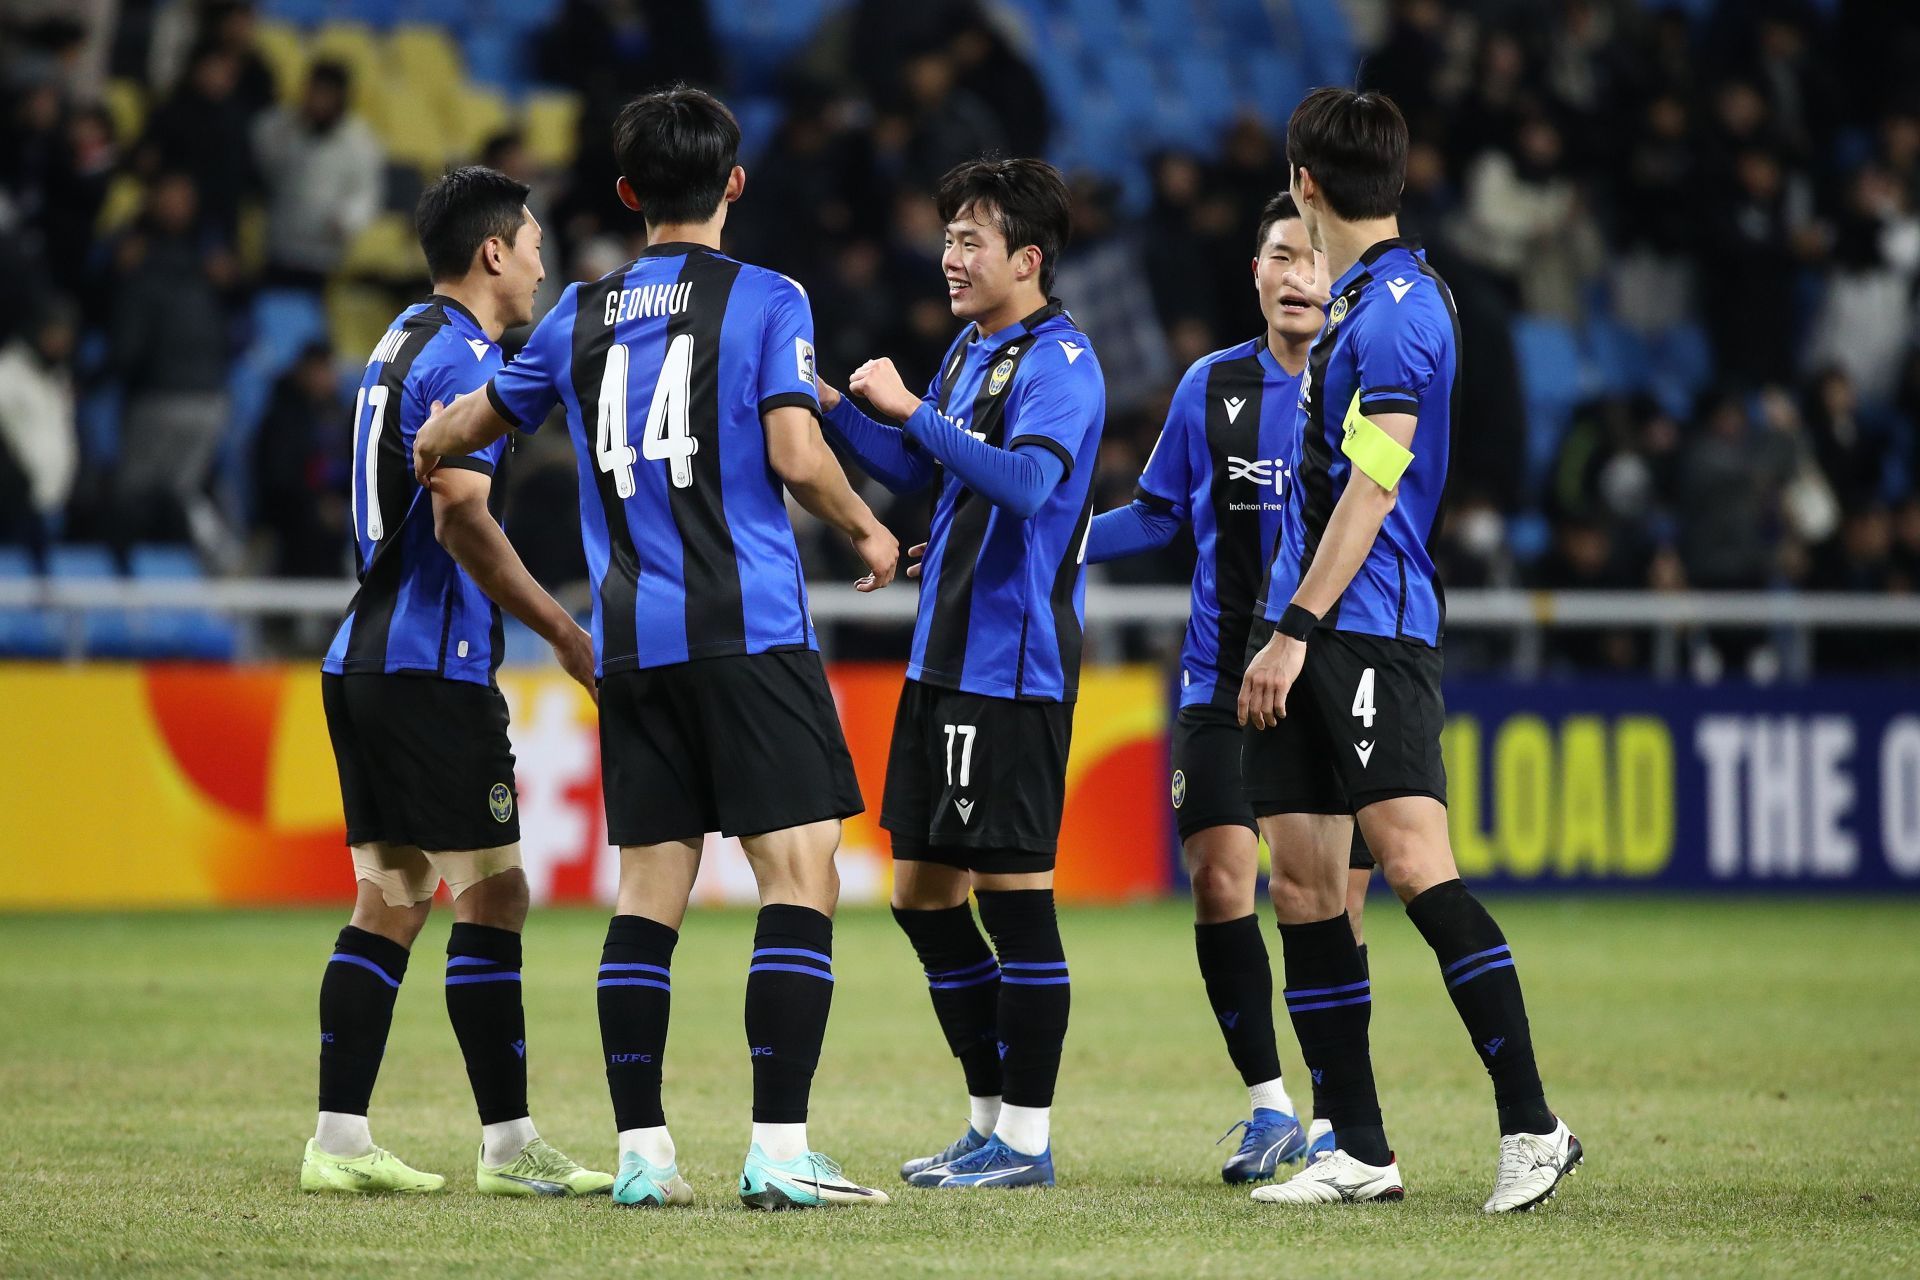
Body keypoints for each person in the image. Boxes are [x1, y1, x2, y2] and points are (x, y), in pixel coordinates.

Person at [412, 86, 898, 1212]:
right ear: (733, 183)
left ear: (627, 195)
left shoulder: (578, 313)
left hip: (631, 642)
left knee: (648, 896)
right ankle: (780, 1149)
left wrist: (430, 434)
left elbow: (459, 429)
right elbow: (792, 445)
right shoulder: (768, 297)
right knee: (800, 872)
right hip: (749, 629)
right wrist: (867, 523)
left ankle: (644, 1152)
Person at [1238, 88, 1581, 1213]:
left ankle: (1534, 1124)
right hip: (1307, 626)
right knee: (1303, 884)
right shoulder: (1350, 305)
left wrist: (1294, 628)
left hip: (1366, 626)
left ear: (1307, 183)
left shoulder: (1395, 307)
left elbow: (1377, 484)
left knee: (1416, 864)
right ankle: (1360, 1146)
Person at [303, 166, 611, 1199]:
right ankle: (511, 1143)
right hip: (434, 665)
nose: (538, 258)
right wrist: (564, 630)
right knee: (496, 891)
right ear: (491, 252)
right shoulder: (465, 361)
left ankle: (338, 1139)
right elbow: (460, 515)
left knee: (390, 892)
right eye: (529, 240)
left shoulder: (399, 337)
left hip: (364, 658)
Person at [816, 156, 1105, 1189]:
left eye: (971, 238)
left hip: (1012, 666)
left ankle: (1027, 1137)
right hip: (944, 659)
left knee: (1016, 897)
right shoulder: (970, 352)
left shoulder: (1063, 361)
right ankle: (987, 1120)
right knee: (921, 892)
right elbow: (918, 467)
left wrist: (906, 405)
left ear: (1028, 257)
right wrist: (828, 406)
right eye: (947, 236)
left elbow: (1027, 484)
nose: (950, 254)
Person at [1084, 191, 1378, 1182]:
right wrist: (1060, 537)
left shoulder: (1366, 383)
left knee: (1334, 902)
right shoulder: (1210, 387)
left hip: (1336, 674)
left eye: (1315, 259)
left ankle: (1343, 1118)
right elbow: (1159, 512)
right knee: (1220, 882)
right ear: (1254, 274)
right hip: (1218, 677)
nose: (1299, 276)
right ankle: (1271, 1108)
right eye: (1281, 257)